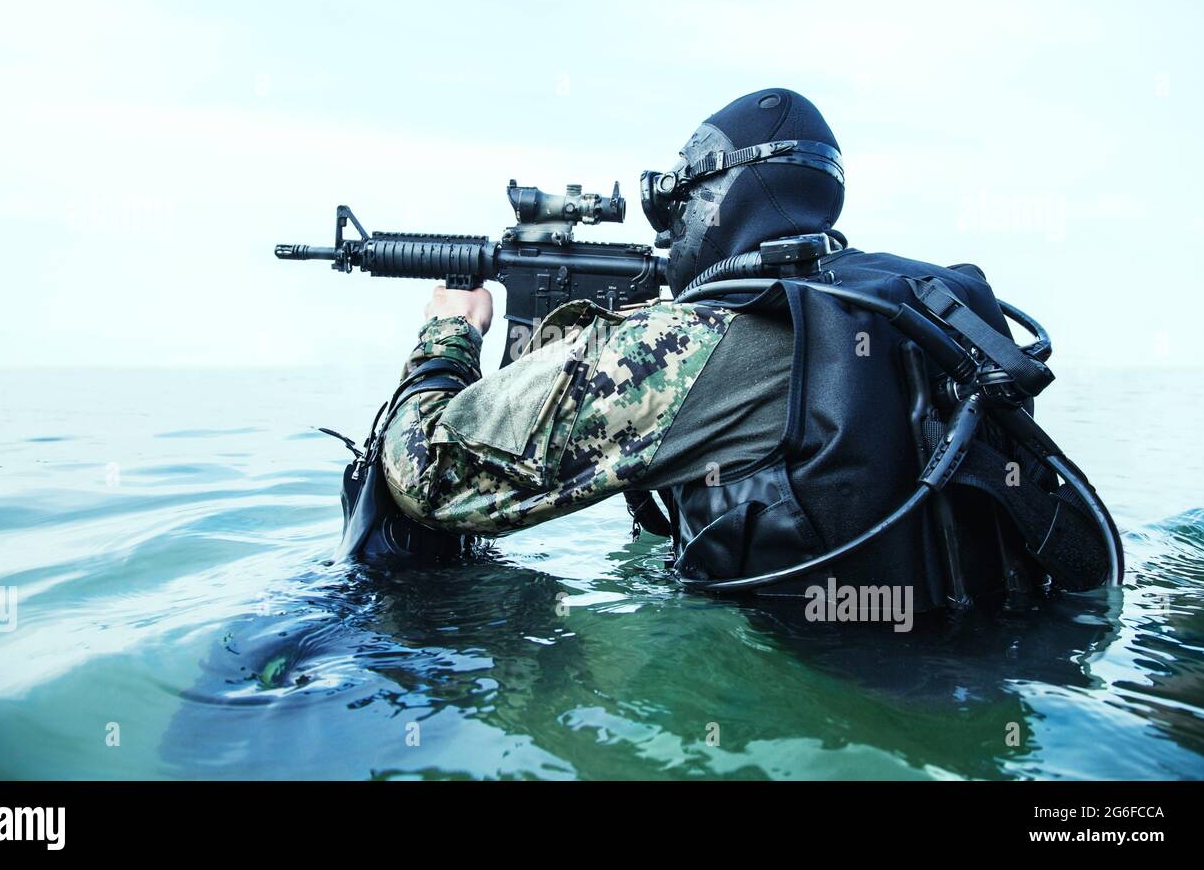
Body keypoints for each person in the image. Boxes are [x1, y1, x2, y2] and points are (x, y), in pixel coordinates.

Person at [363, 88, 1122, 610]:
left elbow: (426, 475)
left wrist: (451, 332)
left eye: (678, 207)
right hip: (984, 663)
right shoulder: (911, 306)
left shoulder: (688, 346)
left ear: (720, 198)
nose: (668, 233)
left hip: (812, 704)